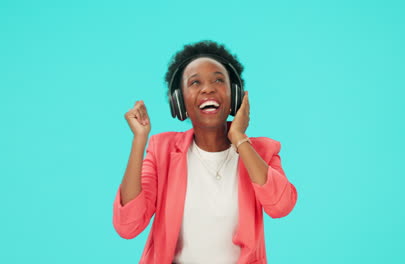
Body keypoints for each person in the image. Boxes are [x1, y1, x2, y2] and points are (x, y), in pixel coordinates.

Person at [113, 40, 298, 264]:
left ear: (236, 95)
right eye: (195, 82)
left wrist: (239, 139)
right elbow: (128, 226)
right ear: (179, 101)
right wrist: (139, 140)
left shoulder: (263, 151)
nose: (208, 88)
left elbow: (281, 207)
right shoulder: (161, 150)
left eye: (219, 80)